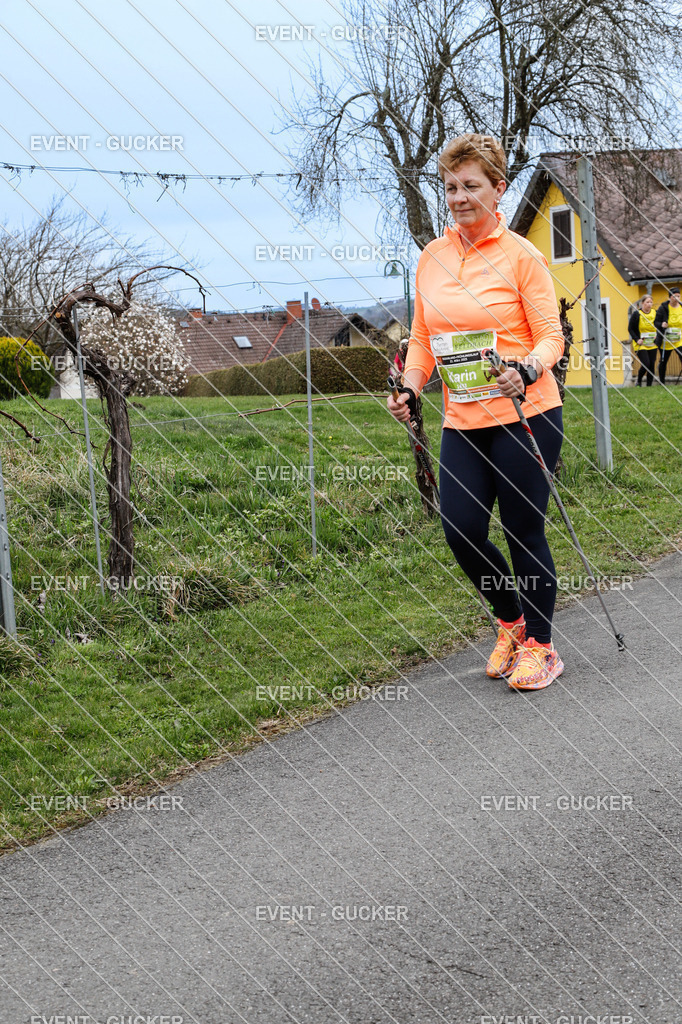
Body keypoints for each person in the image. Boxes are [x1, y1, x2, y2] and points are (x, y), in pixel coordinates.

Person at [387, 133, 565, 691]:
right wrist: (411, 387)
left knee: (521, 531)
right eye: (450, 187)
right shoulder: (432, 258)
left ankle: (541, 646)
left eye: (471, 186)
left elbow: (551, 337)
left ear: (498, 190)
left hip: (524, 413)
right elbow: (420, 338)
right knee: (461, 529)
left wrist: (528, 368)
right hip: (462, 419)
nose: (459, 197)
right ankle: (510, 622)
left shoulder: (523, 256)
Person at [654, 286, 682, 384]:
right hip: (666, 340)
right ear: (670, 297)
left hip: (679, 339)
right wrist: (662, 324)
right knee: (663, 361)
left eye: (678, 296)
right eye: (675, 297)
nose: (677, 299)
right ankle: (662, 382)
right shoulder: (663, 308)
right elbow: (656, 322)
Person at [628, 294, 658, 386]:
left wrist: (658, 335)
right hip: (641, 343)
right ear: (642, 303)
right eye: (647, 302)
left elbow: (659, 326)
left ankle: (649, 386)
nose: (649, 304)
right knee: (646, 363)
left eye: (651, 302)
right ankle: (639, 381)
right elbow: (630, 329)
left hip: (652, 342)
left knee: (652, 365)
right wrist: (637, 339)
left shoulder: (655, 313)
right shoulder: (636, 314)